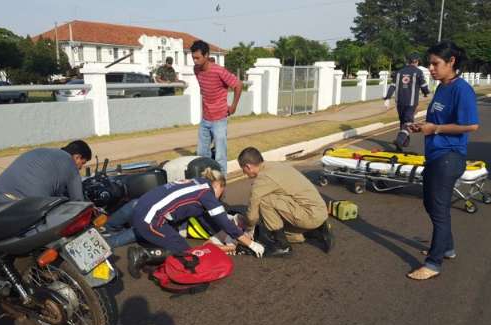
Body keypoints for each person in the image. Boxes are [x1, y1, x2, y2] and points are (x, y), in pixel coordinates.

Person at [406, 41, 479, 281]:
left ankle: (434, 263)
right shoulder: (442, 88)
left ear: (451, 62)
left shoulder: (462, 90)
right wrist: (423, 128)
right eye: (430, 63)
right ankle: (447, 248)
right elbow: (436, 122)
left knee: (438, 210)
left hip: (449, 157)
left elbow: (471, 125)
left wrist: (435, 128)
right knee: (432, 204)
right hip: (436, 155)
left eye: (436, 63)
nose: (431, 68)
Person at [0, 140, 136, 247]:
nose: (80, 168)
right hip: (27, 216)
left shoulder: (40, 151)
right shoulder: (70, 165)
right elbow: (78, 201)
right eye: (82, 163)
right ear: (77, 157)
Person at [126, 168, 264, 279]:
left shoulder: (198, 183)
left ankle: (152, 263)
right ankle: (142, 254)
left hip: (142, 208)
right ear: (218, 185)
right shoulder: (206, 194)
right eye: (222, 190)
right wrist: (251, 244)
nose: (221, 196)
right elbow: (226, 224)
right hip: (149, 219)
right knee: (183, 252)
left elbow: (203, 216)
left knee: (176, 243)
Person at [238, 147, 335, 256]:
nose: (243, 173)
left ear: (248, 166)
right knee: (278, 231)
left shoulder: (263, 179)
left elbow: (252, 216)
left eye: (243, 169)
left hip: (310, 215)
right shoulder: (275, 165)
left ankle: (282, 246)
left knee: (264, 201)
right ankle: (316, 231)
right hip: (319, 211)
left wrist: (248, 230)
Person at [191, 40, 242, 174]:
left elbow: (238, 84)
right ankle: (207, 179)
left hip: (219, 119)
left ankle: (222, 182)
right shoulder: (196, 70)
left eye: (198, 58)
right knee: (202, 153)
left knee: (220, 155)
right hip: (205, 119)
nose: (195, 61)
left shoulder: (219, 71)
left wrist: (234, 106)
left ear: (206, 55)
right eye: (193, 58)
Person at [384, 53, 430, 151]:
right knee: (408, 122)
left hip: (399, 101)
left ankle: (404, 142)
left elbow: (392, 86)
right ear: (417, 61)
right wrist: (426, 93)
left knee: (403, 121)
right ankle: (400, 140)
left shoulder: (399, 72)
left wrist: (387, 98)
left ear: (407, 61)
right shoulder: (418, 72)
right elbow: (424, 86)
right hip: (411, 102)